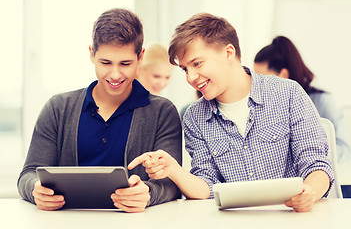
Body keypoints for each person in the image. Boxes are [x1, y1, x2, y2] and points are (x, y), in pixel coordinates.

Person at [128, 13, 334, 212]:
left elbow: (316, 165)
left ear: (228, 53)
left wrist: (310, 192)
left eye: (197, 63)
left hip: (291, 217)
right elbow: (207, 186)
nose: (190, 77)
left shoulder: (288, 93)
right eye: (184, 69)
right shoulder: (194, 117)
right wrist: (173, 170)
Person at [17, 8, 182, 213]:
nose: (115, 74)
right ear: (91, 54)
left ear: (140, 58)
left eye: (125, 63)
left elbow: (172, 184)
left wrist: (148, 192)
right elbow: (28, 174)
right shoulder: (58, 108)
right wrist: (35, 190)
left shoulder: (162, 112)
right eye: (105, 62)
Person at [253, 36, 351, 163]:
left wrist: (308, 153)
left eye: (262, 79)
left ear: (283, 76)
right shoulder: (261, 107)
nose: (257, 85)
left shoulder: (322, 101)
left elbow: (344, 149)